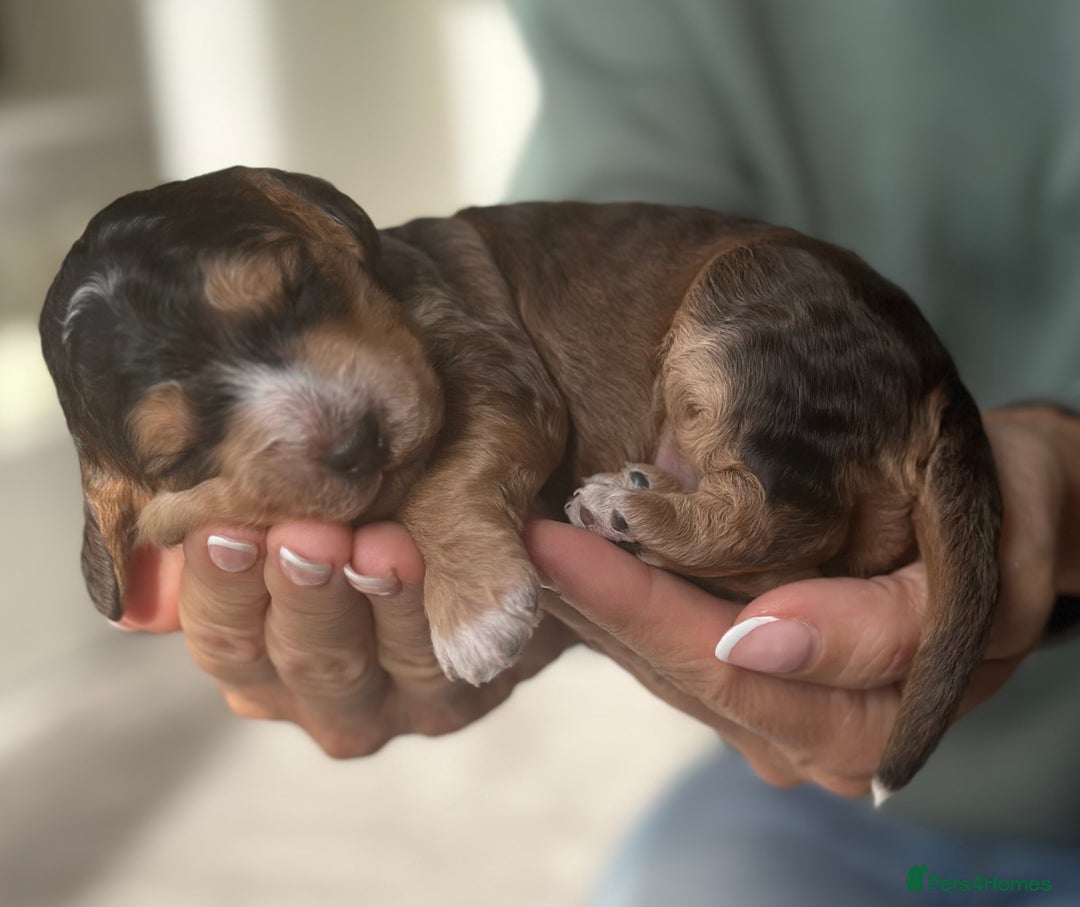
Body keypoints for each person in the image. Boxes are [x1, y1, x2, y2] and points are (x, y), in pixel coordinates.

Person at [120, 0, 1080, 902]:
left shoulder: (422, 301)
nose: (321, 422)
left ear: (324, 232)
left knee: (750, 329)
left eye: (290, 297)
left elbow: (521, 396)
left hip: (926, 550)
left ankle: (746, 511)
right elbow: (611, 261)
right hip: (842, 800)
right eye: (184, 443)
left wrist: (1062, 489)